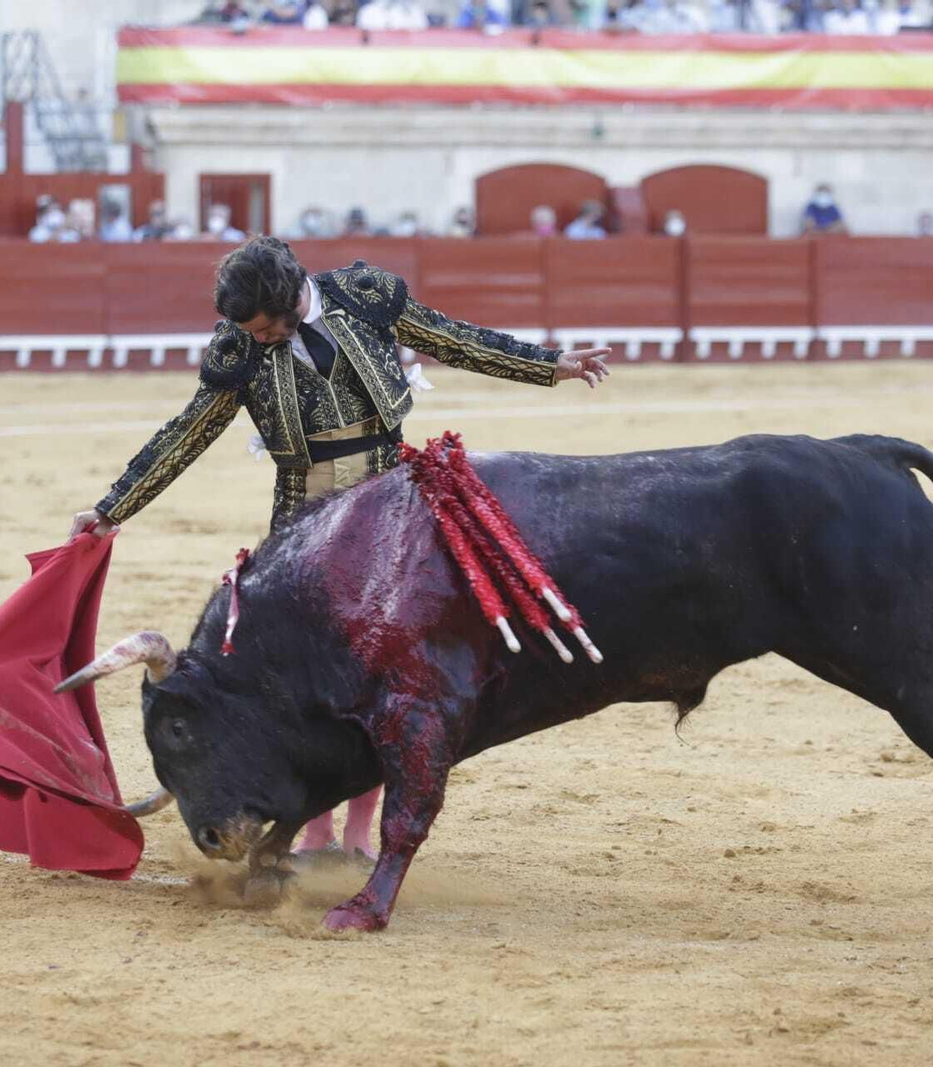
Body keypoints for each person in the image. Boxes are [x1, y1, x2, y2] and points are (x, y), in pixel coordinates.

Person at [65, 237, 613, 860]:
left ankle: (358, 833)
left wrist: (550, 364)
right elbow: (188, 432)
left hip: (390, 511)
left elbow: (454, 339)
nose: (260, 339)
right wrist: (114, 507)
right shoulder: (237, 346)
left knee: (385, 669)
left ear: (292, 302)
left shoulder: (366, 296)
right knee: (304, 675)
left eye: (268, 328)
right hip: (304, 524)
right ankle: (316, 827)